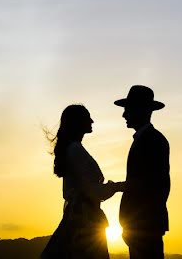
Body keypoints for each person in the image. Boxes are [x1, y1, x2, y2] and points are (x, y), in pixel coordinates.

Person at [42, 104, 122, 259]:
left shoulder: (74, 149)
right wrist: (119, 186)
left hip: (80, 217)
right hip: (84, 221)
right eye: (87, 118)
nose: (92, 121)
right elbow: (91, 190)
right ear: (77, 122)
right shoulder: (75, 150)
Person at [115, 85, 170, 259]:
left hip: (144, 226)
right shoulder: (147, 139)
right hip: (142, 225)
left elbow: (155, 184)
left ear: (140, 110)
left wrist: (119, 187)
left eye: (128, 110)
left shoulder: (153, 141)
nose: (124, 115)